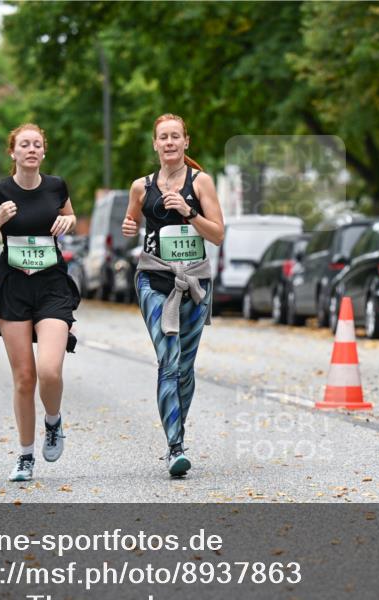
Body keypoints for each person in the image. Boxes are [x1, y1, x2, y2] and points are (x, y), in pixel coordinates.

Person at [0, 123, 80, 482]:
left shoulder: (56, 186)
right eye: (24, 145)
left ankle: (53, 420)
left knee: (49, 370)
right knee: (24, 377)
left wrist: (68, 220)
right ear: (13, 153)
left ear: (43, 152)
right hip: (14, 288)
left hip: (52, 287)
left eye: (37, 145)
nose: (31, 150)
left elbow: (71, 216)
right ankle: (25, 455)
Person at [122, 114, 225, 477]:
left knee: (185, 367)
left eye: (175, 137)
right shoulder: (141, 186)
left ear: (186, 142)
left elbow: (217, 234)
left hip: (195, 280)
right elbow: (131, 221)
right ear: (155, 144)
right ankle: (175, 447)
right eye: (162, 137)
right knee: (168, 360)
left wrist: (189, 211)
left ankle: (175, 437)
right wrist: (129, 225)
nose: (169, 142)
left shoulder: (201, 182)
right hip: (154, 277)